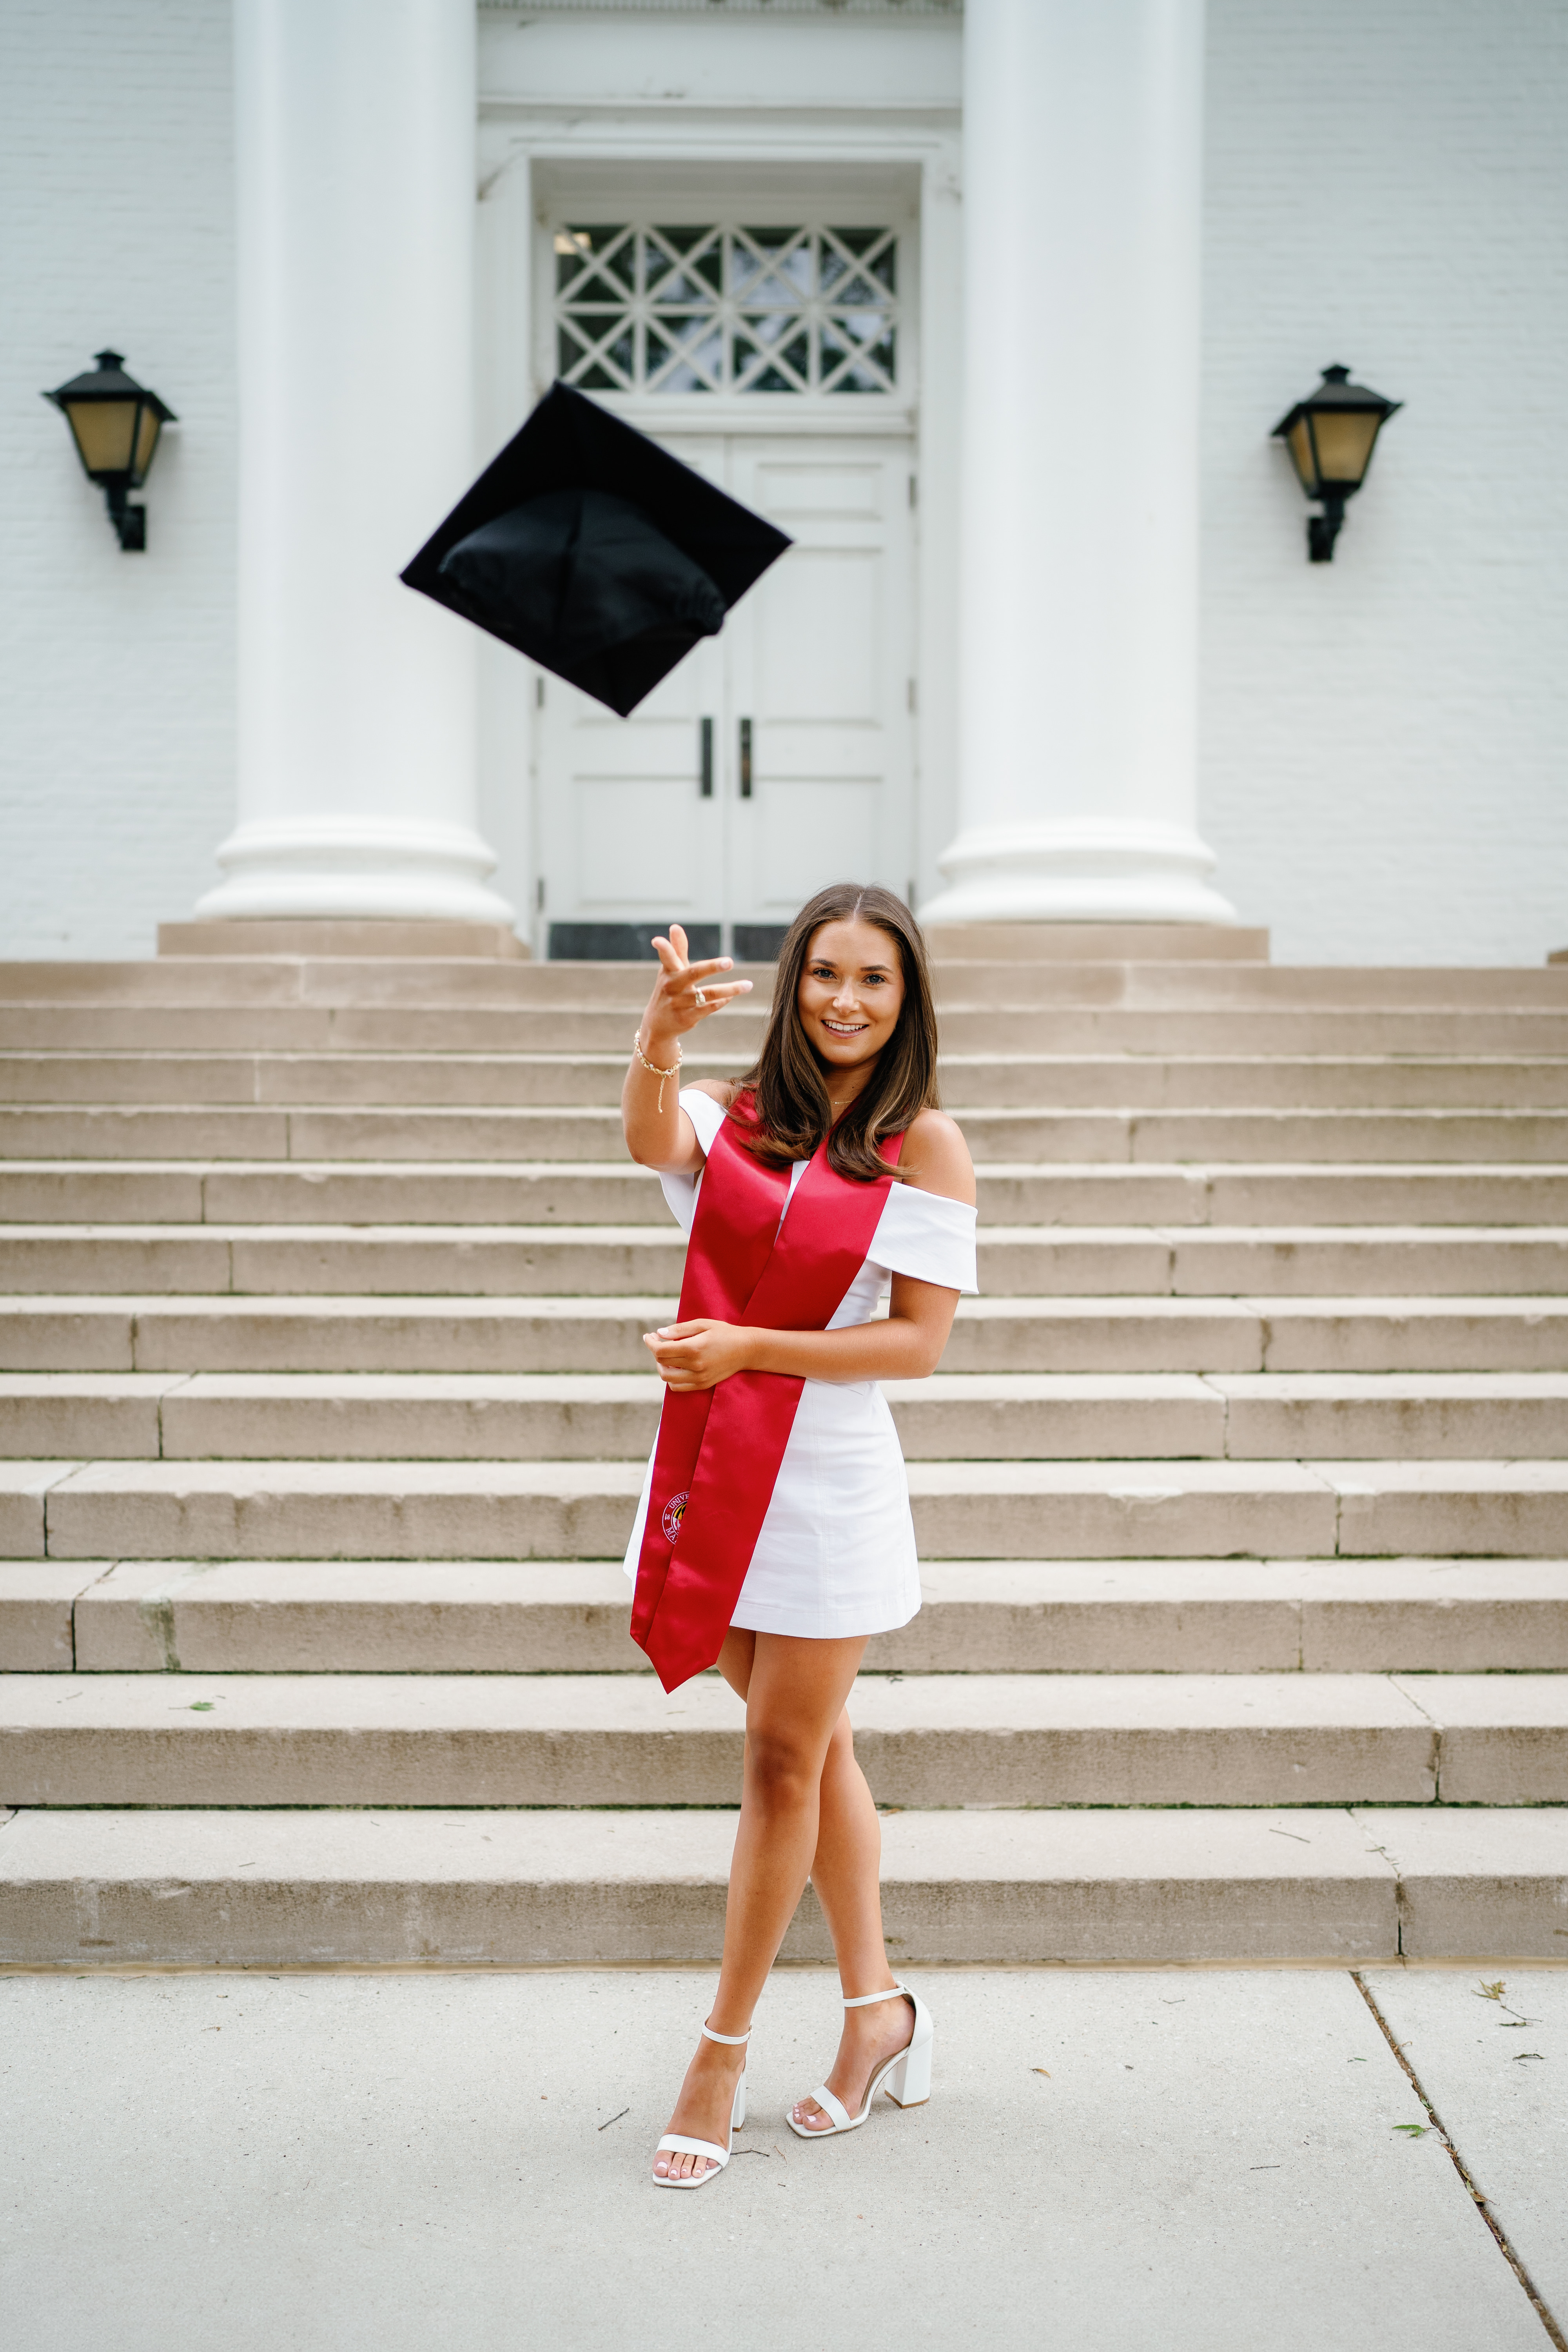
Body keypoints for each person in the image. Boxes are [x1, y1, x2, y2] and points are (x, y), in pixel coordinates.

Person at [620, 882, 978, 2189]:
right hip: (710, 1476)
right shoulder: (742, 1123)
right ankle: (880, 2011)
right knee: (814, 1752)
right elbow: (649, 1138)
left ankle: (719, 2051)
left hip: (824, 1483)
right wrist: (658, 1034)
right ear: (794, 983)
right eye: (826, 973)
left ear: (907, 998)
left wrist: (750, 1348)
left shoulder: (924, 1146)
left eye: (875, 980)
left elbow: (918, 1344)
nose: (846, 1000)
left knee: (780, 1760)